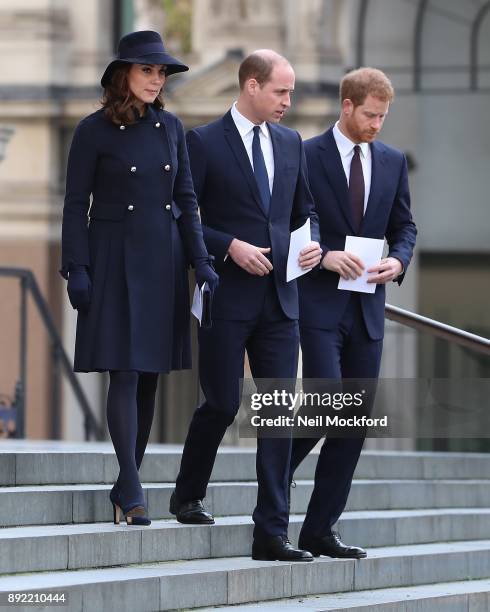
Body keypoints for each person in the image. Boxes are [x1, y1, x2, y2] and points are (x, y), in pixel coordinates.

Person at [60, 31, 218, 526]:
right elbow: (73, 205)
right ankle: (131, 487)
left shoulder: (172, 127)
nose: (156, 79)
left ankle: (127, 479)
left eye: (161, 72)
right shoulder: (92, 131)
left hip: (163, 259)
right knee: (123, 370)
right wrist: (77, 268)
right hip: (112, 257)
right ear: (122, 74)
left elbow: (188, 201)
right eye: (147, 70)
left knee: (148, 374)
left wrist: (202, 262)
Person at [170, 50, 322, 562]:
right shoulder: (204, 142)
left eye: (291, 92)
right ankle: (187, 492)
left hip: (281, 300)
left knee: (277, 413)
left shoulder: (291, 142)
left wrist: (312, 243)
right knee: (221, 402)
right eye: (280, 91)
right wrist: (228, 245)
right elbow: (184, 217)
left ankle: (271, 534)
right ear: (251, 85)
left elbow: (305, 212)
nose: (288, 101)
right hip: (226, 297)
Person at [292, 67, 417, 558]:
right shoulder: (304, 154)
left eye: (383, 116)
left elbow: (405, 225)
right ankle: (274, 479)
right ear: (347, 106)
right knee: (327, 407)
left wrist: (398, 259)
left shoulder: (391, 160)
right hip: (319, 302)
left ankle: (320, 529)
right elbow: (298, 218)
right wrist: (323, 253)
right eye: (370, 114)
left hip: (368, 307)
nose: (377, 125)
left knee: (353, 423)